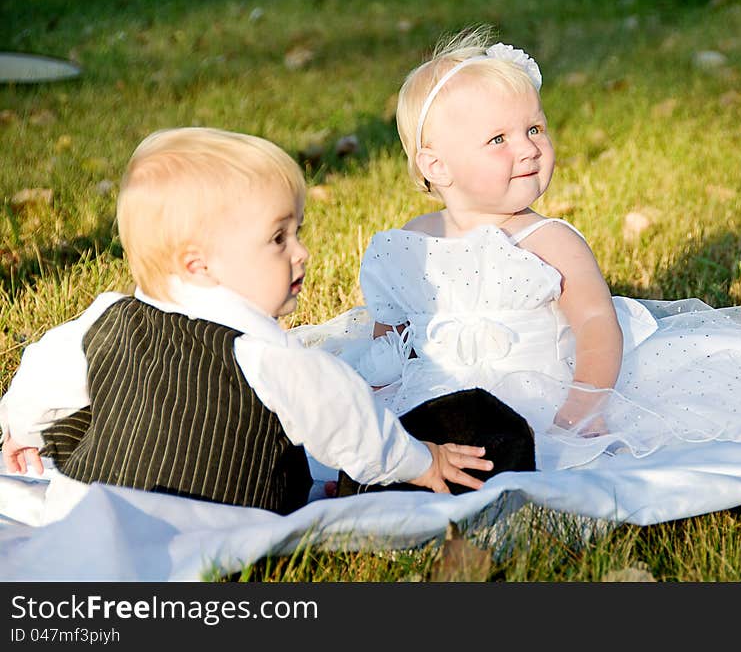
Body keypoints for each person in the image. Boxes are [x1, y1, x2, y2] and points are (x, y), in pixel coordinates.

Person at [293, 28, 741, 471]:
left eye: (535, 129)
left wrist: (586, 407)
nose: (526, 149)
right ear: (435, 164)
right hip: (440, 396)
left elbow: (598, 327)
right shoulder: (407, 246)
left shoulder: (548, 241)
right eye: (498, 139)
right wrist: (380, 390)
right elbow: (390, 337)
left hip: (543, 390)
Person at [0, 126, 495, 521]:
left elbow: (42, 374)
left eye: (296, 232)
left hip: (90, 507)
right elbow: (351, 422)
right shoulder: (265, 355)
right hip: (219, 515)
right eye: (278, 239)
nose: (301, 252)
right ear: (199, 264)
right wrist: (421, 459)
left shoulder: (111, 318)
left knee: (79, 415)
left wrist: (20, 428)